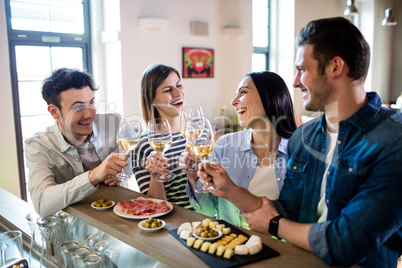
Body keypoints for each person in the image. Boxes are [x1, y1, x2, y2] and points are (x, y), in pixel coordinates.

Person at [197, 17, 402, 268]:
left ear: (335, 66)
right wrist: (230, 190)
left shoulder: (393, 140)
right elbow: (286, 212)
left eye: (302, 70)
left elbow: (348, 242)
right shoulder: (304, 137)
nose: (295, 82)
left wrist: (275, 224)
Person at [180, 71, 297, 227]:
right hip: (231, 244)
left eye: (242, 92)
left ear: (268, 97)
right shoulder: (224, 145)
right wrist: (193, 175)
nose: (233, 102)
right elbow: (208, 211)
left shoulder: (298, 152)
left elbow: (296, 216)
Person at [25, 68, 130, 217]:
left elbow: (134, 162)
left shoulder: (115, 124)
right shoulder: (37, 146)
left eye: (91, 102)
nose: (88, 114)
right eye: (78, 107)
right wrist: (93, 176)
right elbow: (42, 203)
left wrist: (121, 172)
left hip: (118, 227)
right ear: (54, 111)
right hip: (70, 235)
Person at [132, 63, 193, 209]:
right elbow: (154, 206)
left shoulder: (198, 134)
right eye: (167, 90)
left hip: (209, 221)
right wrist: (155, 175)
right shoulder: (143, 144)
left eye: (179, 85)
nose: (178, 93)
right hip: (175, 225)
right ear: (152, 99)